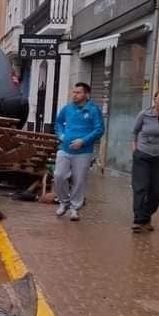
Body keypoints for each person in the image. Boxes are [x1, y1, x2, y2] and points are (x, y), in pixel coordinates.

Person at [53, 82, 105, 222]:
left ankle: (74, 208)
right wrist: (61, 135)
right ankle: (64, 202)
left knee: (79, 180)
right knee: (59, 175)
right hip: (64, 149)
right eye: (74, 92)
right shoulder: (67, 108)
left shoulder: (93, 110)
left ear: (86, 94)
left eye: (78, 93)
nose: (74, 95)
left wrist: (83, 141)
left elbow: (99, 129)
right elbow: (58, 123)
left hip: (83, 151)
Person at [131, 88, 159, 232]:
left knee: (158, 190)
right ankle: (138, 220)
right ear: (154, 100)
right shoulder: (144, 114)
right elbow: (134, 132)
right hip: (143, 155)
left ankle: (146, 216)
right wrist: (135, 149)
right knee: (141, 187)